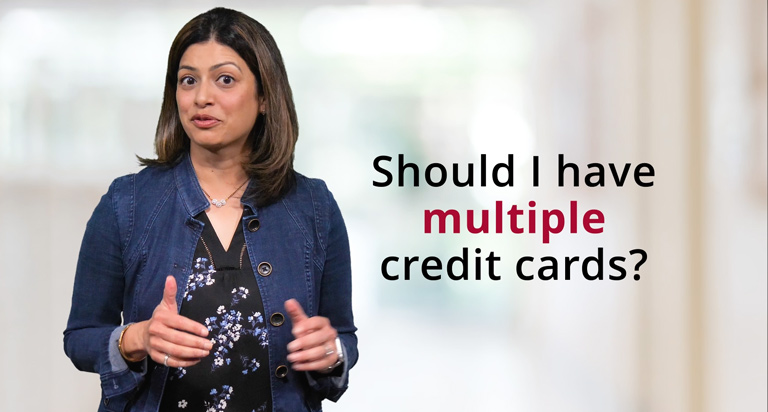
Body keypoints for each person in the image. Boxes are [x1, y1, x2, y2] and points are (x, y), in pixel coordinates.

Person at [63, 7, 357, 412]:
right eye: (188, 80)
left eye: (225, 79)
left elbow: (342, 339)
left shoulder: (313, 206)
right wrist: (137, 338)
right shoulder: (126, 203)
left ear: (265, 97)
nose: (202, 96)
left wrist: (332, 352)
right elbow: (80, 336)